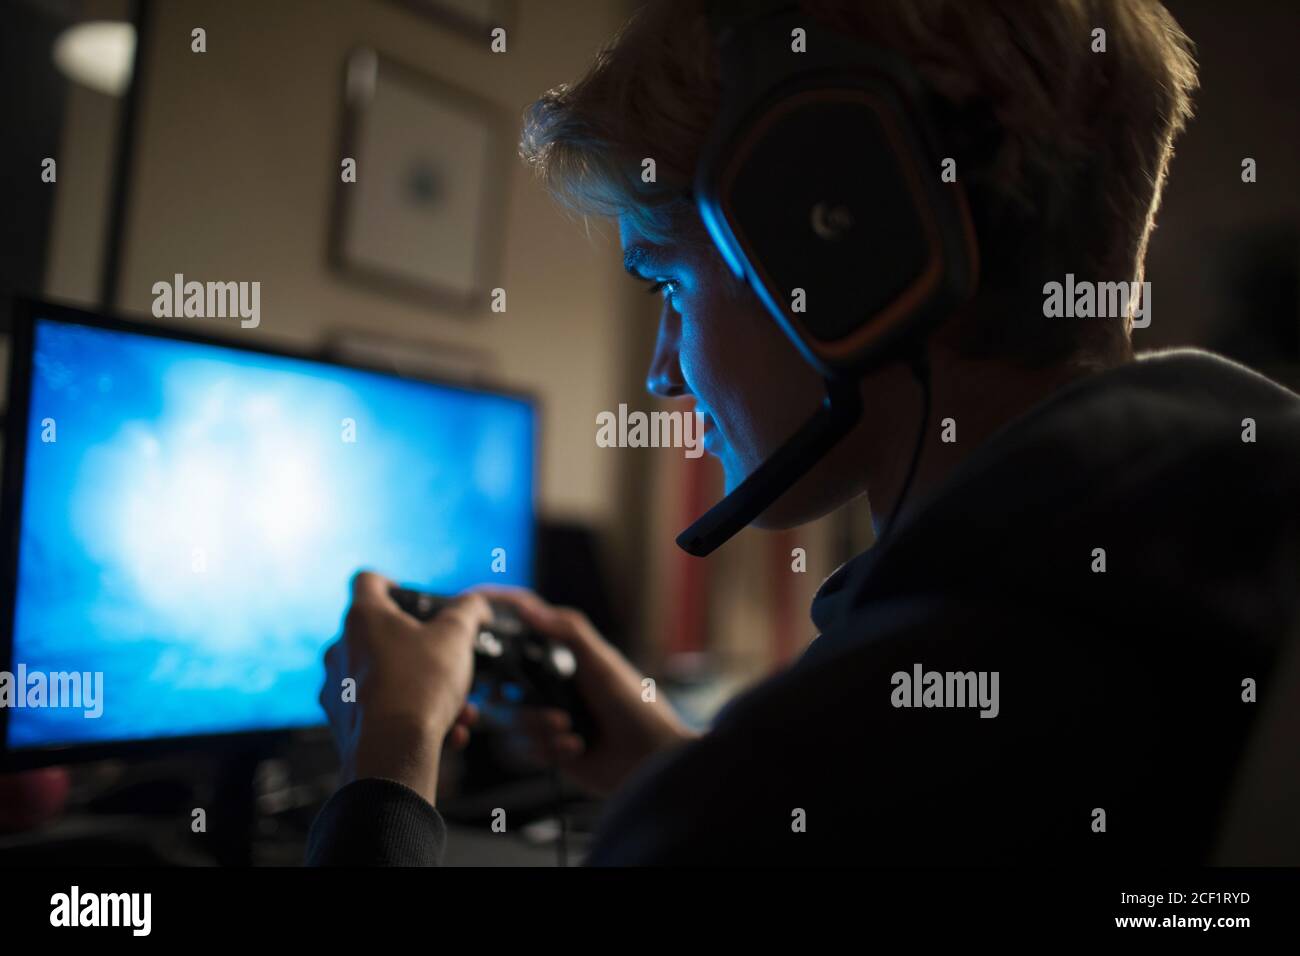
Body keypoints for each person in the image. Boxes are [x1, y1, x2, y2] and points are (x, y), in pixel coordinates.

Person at [306, 0, 1300, 865]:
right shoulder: (1210, 554)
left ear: (849, 245)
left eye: (667, 284)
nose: (660, 373)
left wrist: (389, 759)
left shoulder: (836, 755)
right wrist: (670, 766)